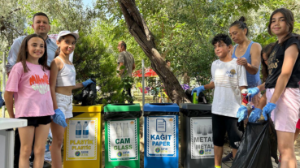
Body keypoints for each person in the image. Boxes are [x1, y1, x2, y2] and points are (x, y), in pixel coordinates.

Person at [246, 8, 300, 168]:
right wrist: (258, 89)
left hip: (286, 94)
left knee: (286, 149)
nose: (276, 23)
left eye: (281, 19)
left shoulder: (292, 42)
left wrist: (273, 101)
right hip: (275, 93)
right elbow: (273, 77)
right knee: (283, 148)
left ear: (289, 23)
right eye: (273, 20)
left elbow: (285, 74)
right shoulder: (277, 45)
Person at [6, 12, 56, 168]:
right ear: (26, 48)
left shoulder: (45, 69)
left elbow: (48, 90)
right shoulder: (19, 67)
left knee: (40, 150)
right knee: (25, 151)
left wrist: (54, 110)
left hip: (45, 113)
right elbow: (8, 93)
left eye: (41, 46)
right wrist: (12, 114)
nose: (38, 48)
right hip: (26, 113)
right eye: (34, 45)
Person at [191, 34, 247, 168]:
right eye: (215, 46)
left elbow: (243, 88)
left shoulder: (238, 64)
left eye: (220, 45)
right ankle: (217, 166)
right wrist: (202, 87)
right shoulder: (215, 65)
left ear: (229, 47)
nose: (217, 48)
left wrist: (245, 105)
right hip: (217, 109)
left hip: (234, 111)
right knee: (217, 142)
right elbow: (214, 83)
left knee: (236, 144)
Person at [49, 30, 94, 168]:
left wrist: (84, 84)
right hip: (59, 101)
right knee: (56, 142)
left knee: (60, 141)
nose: (70, 45)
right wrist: (56, 108)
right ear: (58, 42)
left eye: (73, 43)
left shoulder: (70, 63)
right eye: (67, 42)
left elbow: (69, 86)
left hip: (69, 101)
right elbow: (51, 86)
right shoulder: (56, 62)